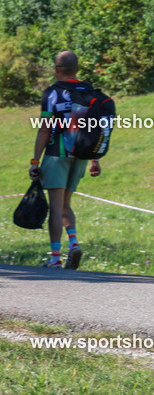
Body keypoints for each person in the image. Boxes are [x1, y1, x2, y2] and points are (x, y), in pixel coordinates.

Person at [29, 51, 101, 269]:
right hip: (81, 155)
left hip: (57, 154)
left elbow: (44, 130)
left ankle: (55, 258)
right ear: (77, 69)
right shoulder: (90, 91)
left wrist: (35, 162)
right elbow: (97, 128)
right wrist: (95, 159)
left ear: (57, 69)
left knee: (56, 207)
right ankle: (74, 244)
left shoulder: (52, 93)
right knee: (66, 205)